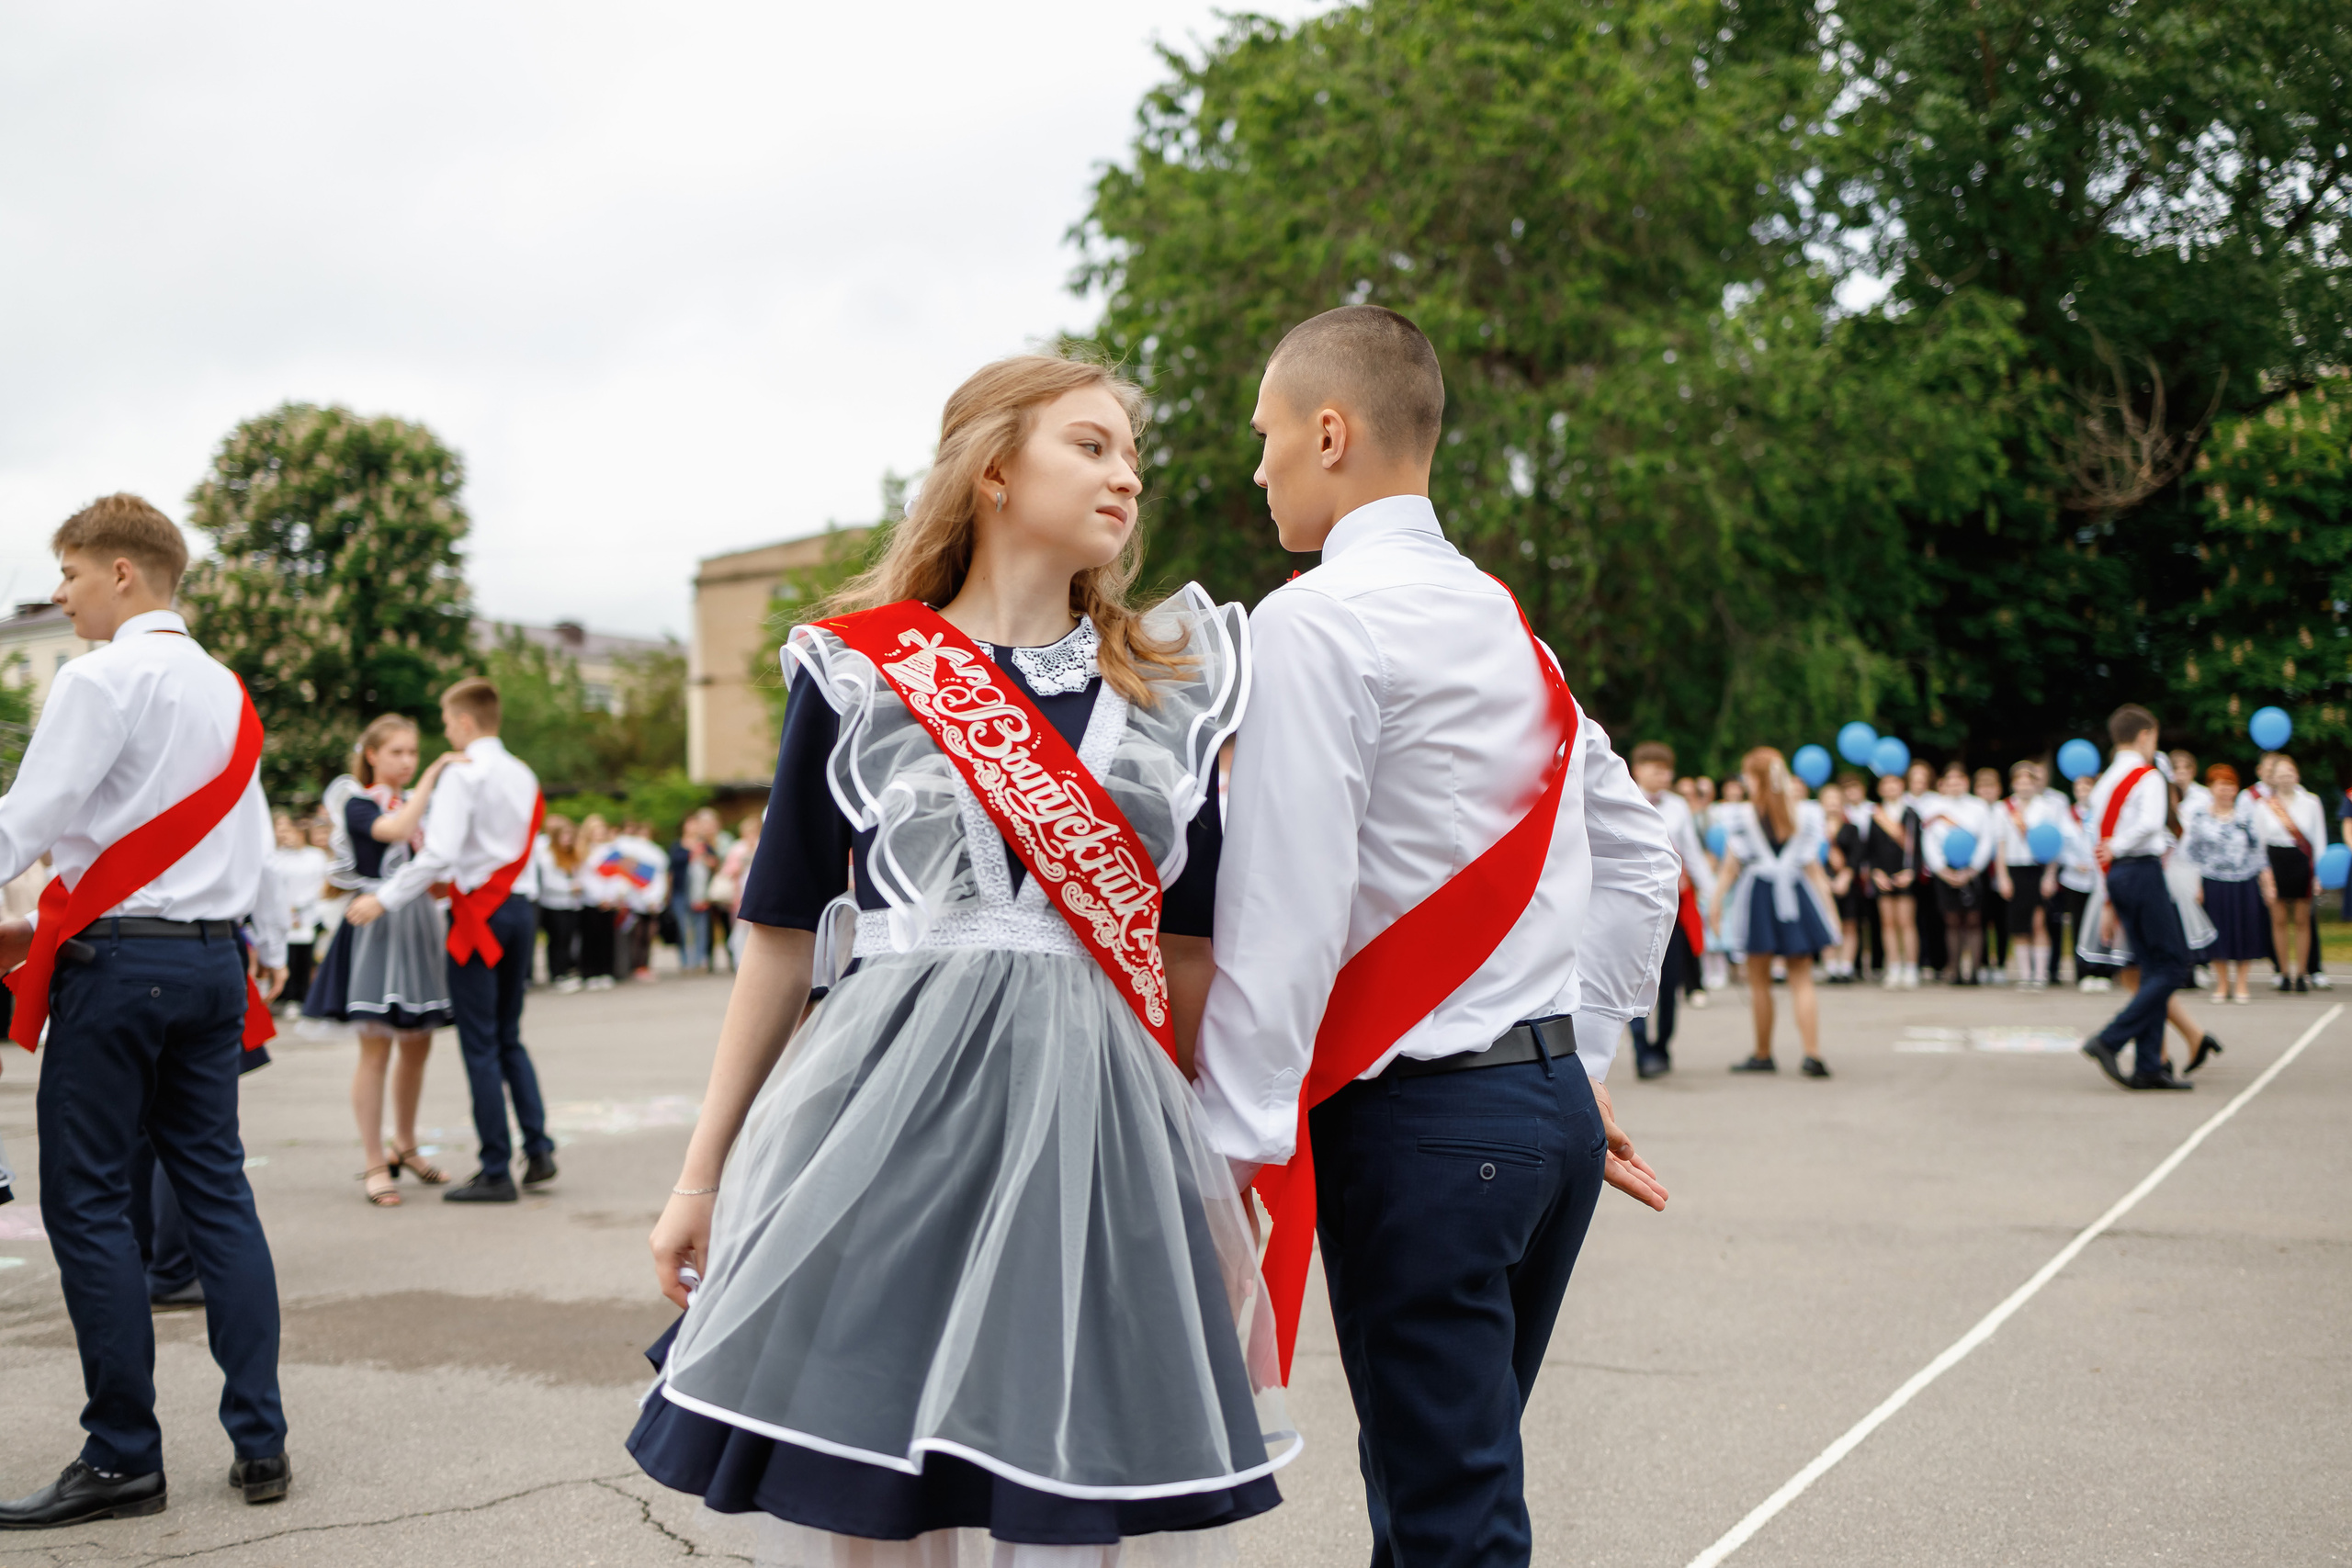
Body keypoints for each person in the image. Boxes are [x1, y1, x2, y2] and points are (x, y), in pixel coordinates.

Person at [632, 353, 1295, 1563]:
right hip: (882, 1121)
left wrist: (1210, 1174)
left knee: (1073, 1473)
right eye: (1090, 444)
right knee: (876, 1479)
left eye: (1131, 453)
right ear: (993, 466)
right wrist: (702, 1172)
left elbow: (1188, 948)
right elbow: (781, 938)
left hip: (1097, 1130)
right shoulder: (860, 667)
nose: (1127, 475)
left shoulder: (1169, 685)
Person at [1194, 308, 1677, 1568]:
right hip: (1548, 1122)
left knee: (1450, 1522)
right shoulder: (1515, 630)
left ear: (1331, 431)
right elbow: (1643, 857)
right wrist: (1586, 1057)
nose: (1259, 469)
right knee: (1437, 1500)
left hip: (1419, 1134)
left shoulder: (1309, 622)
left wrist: (1230, 1148)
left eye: (1266, 436)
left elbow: (1284, 911)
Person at [0, 493, 293, 1526]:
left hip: (119, 965)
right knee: (217, 1192)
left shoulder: (97, 677)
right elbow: (253, 849)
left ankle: (124, 1453)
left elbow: (26, 824)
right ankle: (261, 1441)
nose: (63, 593)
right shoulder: (227, 691)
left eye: (71, 573)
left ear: (123, 572)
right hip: (217, 966)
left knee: (87, 1203)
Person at [345, 678, 554, 1202]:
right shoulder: (523, 773)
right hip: (520, 909)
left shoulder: (464, 774)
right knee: (509, 1035)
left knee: (480, 1042)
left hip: (477, 915)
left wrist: (384, 898)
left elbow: (438, 856)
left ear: (463, 722)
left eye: (445, 722)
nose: (444, 733)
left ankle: (495, 1169)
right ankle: (540, 1147)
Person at [302, 715, 464, 1205]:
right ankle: (375, 1162)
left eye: (413, 753)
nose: (407, 762)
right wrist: (434, 778)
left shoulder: (416, 804)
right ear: (372, 754)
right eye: (397, 752)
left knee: (418, 1044)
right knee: (376, 1048)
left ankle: (406, 1145)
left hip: (417, 921)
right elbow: (393, 830)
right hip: (375, 924)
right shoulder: (356, 801)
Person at [2079, 705, 2196, 1091]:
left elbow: (2094, 842)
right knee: (2173, 966)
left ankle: (2149, 1064)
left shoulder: (2104, 781)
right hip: (2141, 869)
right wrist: (2121, 846)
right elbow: (2150, 824)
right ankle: (2110, 1039)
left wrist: (2107, 891)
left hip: (2118, 876)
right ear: (2145, 735)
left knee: (2151, 967)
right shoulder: (2147, 775)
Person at [1711, 747, 1836, 1076]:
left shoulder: (1741, 816)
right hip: (1796, 895)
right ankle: (1813, 1054)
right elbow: (1815, 871)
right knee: (1801, 977)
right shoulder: (1804, 814)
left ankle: (1763, 1053)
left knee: (1759, 981)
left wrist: (1714, 905)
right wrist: (1830, 915)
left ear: (1756, 778)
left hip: (1760, 897)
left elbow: (1729, 868)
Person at [1627, 740, 1713, 1077]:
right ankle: (1640, 1048)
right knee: (1633, 980)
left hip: (1671, 906)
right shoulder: (1623, 797)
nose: (1663, 775)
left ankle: (1662, 1044)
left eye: (1667, 769)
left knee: (1670, 979)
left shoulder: (1677, 807)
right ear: (1637, 769)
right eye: (1655, 768)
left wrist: (1710, 894)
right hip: (1633, 905)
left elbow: (1690, 851)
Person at [2181, 765, 2265, 1006]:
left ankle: (2241, 983)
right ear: (2211, 788)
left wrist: (2265, 881)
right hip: (2212, 881)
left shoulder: (2246, 816)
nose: (2226, 790)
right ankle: (2222, 983)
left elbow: (2258, 851)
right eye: (2221, 785)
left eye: (2231, 785)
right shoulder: (2199, 817)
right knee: (2217, 934)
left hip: (2244, 881)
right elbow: (2192, 854)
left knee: (2244, 932)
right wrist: (2194, 885)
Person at [2251, 754, 2324, 993]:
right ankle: (2283, 973)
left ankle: (2302, 974)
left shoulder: (2311, 802)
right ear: (2273, 778)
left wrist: (2319, 874)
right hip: (2276, 861)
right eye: (2280, 774)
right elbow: (2259, 844)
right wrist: (2265, 875)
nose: (2285, 778)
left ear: (2297, 775)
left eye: (2289, 773)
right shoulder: (2263, 805)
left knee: (2303, 921)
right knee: (2279, 920)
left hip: (2303, 861)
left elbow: (2320, 839)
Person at [1992, 761, 2062, 989]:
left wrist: (2050, 875)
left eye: (2028, 780)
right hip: (2014, 868)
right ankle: (2025, 973)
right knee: (2019, 925)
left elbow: (2054, 845)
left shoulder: (2047, 808)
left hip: (2038, 869)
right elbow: (2000, 846)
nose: (2024, 785)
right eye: (2019, 781)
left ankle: (2040, 973)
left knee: (2038, 922)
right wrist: (2002, 877)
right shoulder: (2003, 809)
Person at [1922, 762, 1993, 985]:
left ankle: (1974, 971)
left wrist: (1972, 870)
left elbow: (1986, 841)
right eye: (1949, 782)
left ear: (1966, 783)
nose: (1954, 786)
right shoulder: (1935, 808)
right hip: (1945, 871)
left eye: (1958, 781)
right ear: (1943, 784)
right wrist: (1942, 871)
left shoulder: (1979, 807)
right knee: (1951, 920)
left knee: (1973, 920)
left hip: (1972, 871)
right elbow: (1929, 842)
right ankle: (1954, 969)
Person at [1862, 770, 1921, 988]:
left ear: (1902, 787)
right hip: (1882, 875)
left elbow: (1918, 849)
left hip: (1904, 874)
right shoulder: (1875, 815)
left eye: (1894, 784)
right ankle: (1894, 967)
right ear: (1880, 789)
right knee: (1887, 923)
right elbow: (1869, 849)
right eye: (1885, 785)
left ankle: (1911, 968)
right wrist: (1876, 873)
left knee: (1906, 922)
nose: (1890, 788)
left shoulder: (1912, 814)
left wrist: (1911, 872)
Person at [270, 811, 330, 1013]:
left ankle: (304, 997)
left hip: (310, 913)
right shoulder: (278, 858)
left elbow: (321, 884)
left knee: (306, 957)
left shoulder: (315, 857)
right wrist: (287, 908)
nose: (286, 836)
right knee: (287, 955)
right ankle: (285, 997)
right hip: (285, 913)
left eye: (289, 832)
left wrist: (301, 906)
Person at [535, 814, 589, 992]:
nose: (567, 840)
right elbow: (548, 883)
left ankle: (566, 970)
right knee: (557, 940)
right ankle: (557, 974)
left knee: (569, 939)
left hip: (572, 904)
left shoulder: (573, 855)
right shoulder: (548, 856)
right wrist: (570, 888)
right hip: (554, 904)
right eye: (564, 836)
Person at [575, 814, 623, 989]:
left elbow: (616, 875)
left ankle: (606, 972)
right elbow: (584, 878)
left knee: (607, 938)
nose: (598, 833)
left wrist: (612, 897)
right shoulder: (583, 851)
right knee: (590, 939)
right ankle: (589, 973)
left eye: (601, 830)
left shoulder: (611, 850)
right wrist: (598, 898)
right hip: (590, 902)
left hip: (609, 901)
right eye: (595, 830)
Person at [666, 814, 715, 973]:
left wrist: (704, 856)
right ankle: (687, 961)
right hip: (681, 892)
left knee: (701, 927)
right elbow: (672, 869)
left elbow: (714, 863)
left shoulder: (705, 845)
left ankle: (701, 960)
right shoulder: (677, 846)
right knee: (684, 928)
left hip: (700, 893)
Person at [710, 811, 759, 969]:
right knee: (739, 926)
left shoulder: (762, 844)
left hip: (757, 891)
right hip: (740, 891)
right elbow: (728, 870)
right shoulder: (737, 848)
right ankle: (740, 960)